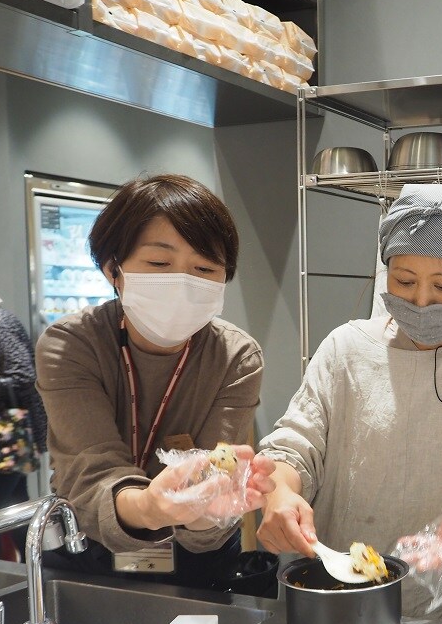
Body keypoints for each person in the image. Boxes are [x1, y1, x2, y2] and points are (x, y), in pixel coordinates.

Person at [258, 184, 442, 624]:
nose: (421, 301)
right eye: (403, 281)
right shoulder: (347, 349)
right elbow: (294, 445)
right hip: (341, 601)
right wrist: (281, 492)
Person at [35, 174, 274, 589]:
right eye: (160, 264)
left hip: (196, 562)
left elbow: (216, 482)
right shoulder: (72, 345)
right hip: (88, 553)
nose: (184, 284)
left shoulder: (236, 356)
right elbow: (89, 470)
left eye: (204, 268)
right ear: (114, 268)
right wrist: (151, 506)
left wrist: (207, 508)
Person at [0, 264, 47, 560]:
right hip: (1, 438)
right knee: (15, 505)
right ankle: (43, 568)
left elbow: (23, 377)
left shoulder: (0, 325)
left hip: (7, 434)